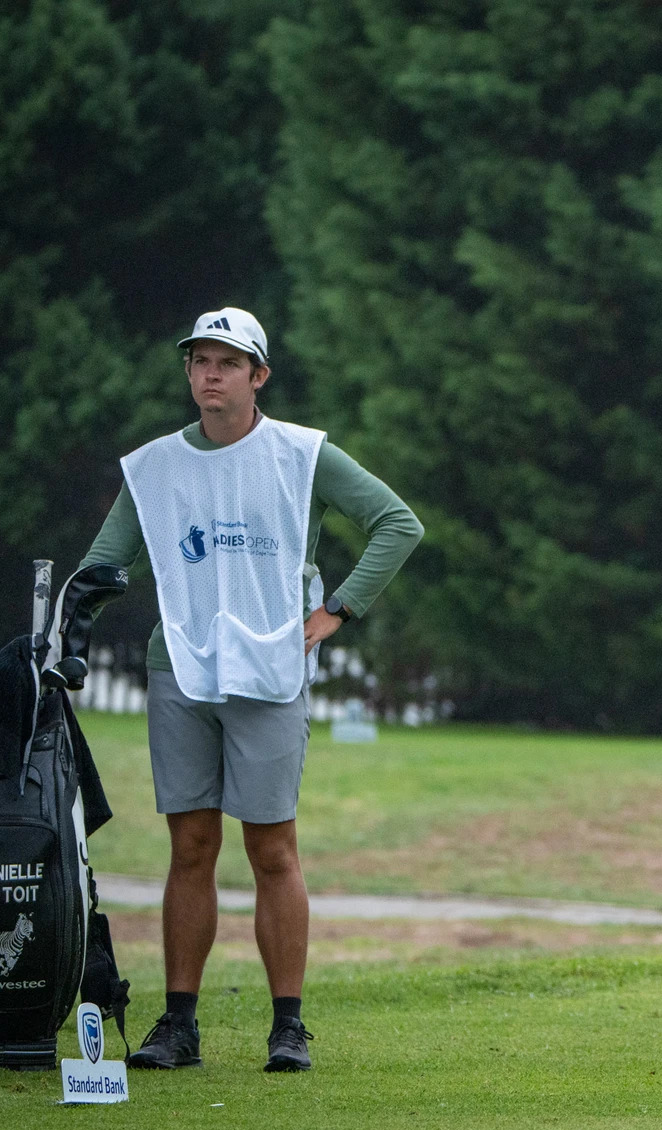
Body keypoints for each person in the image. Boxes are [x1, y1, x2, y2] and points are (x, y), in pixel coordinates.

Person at [77, 307, 422, 1072]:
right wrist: (67, 615)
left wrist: (337, 610)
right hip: (181, 670)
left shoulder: (302, 454)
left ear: (258, 375)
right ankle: (178, 1026)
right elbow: (105, 563)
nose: (210, 374)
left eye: (228, 362)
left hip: (268, 672)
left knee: (271, 848)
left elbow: (397, 524)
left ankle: (288, 1027)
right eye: (200, 360)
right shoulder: (155, 466)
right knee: (190, 846)